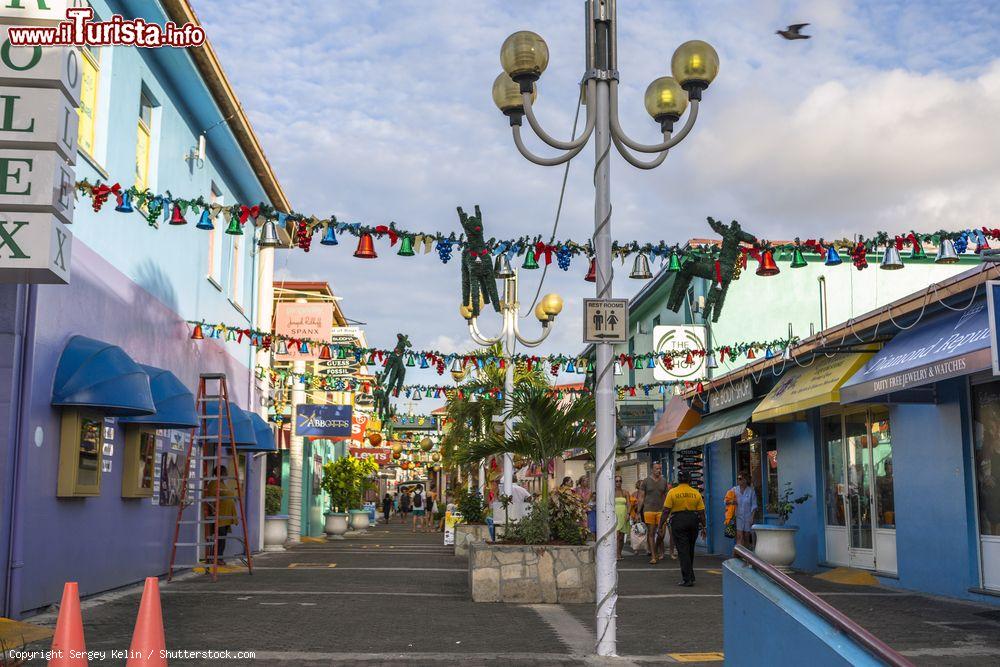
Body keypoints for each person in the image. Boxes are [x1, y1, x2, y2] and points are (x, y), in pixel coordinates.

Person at [659, 470, 706, 587]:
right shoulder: (696, 493)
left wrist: (660, 525)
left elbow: (665, 510)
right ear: (689, 480)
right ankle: (691, 575)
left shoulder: (672, 492)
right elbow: (701, 512)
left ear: (678, 480)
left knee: (682, 550)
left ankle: (687, 579)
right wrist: (704, 526)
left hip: (678, 521)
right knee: (690, 549)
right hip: (693, 520)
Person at [204, 465, 237, 565]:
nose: (226, 475)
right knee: (219, 538)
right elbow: (210, 498)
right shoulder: (214, 483)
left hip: (226, 517)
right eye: (224, 473)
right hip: (219, 516)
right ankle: (215, 558)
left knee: (222, 538)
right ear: (219, 473)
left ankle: (219, 557)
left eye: (225, 473)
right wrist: (213, 511)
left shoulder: (222, 484)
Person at [637, 462, 669, 564]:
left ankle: (654, 548)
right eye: (656, 469)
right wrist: (638, 512)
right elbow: (641, 497)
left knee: (661, 534)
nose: (658, 471)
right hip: (648, 510)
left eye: (660, 469)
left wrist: (668, 510)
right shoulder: (646, 481)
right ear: (652, 469)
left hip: (660, 510)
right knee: (651, 533)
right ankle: (654, 557)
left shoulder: (664, 481)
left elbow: (666, 496)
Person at [730, 472, 758, 550]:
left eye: (740, 479)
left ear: (745, 480)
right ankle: (738, 556)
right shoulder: (734, 490)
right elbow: (725, 501)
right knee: (739, 536)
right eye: (738, 479)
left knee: (746, 537)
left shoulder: (751, 491)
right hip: (738, 516)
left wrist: (752, 517)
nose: (738, 480)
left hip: (748, 517)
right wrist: (731, 502)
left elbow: (754, 505)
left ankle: (746, 556)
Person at [614, 475, 630, 559]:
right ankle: (616, 554)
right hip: (615, 515)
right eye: (616, 481)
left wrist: (628, 513)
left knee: (621, 537)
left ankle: (619, 553)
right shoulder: (612, 492)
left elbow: (628, 504)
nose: (618, 483)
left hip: (623, 514)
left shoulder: (625, 492)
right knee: (616, 535)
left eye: (620, 481)